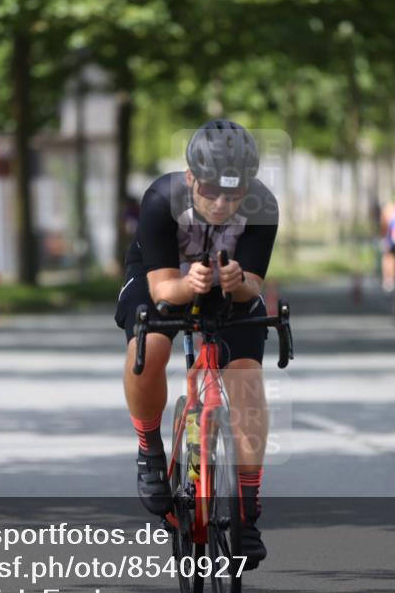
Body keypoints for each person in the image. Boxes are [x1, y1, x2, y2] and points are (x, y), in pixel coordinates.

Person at [115, 120, 278, 569]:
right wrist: (189, 284)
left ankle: (246, 506)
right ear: (191, 178)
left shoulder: (263, 204)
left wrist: (239, 282)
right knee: (149, 352)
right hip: (162, 278)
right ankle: (150, 449)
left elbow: (254, 285)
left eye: (235, 194)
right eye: (212, 192)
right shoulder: (160, 200)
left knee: (246, 378)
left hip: (226, 285)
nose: (224, 204)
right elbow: (164, 288)